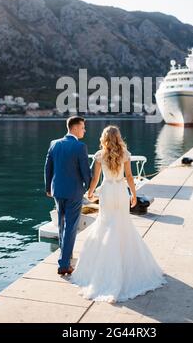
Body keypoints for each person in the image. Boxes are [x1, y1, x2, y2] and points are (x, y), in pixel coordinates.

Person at [71, 125, 166, 302]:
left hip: (107, 191)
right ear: (118, 137)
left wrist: (91, 193)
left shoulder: (100, 155)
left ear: (104, 138)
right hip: (121, 191)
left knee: (106, 225)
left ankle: (104, 269)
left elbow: (96, 178)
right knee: (122, 225)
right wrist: (134, 195)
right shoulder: (125, 153)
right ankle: (125, 266)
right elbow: (130, 176)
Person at [44, 116, 91, 275]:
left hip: (57, 190)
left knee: (61, 225)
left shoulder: (53, 144)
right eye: (83, 127)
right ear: (76, 128)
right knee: (71, 227)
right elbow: (86, 172)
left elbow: (47, 168)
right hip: (74, 192)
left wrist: (48, 188)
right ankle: (64, 264)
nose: (84, 130)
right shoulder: (80, 147)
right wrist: (90, 187)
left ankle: (65, 255)